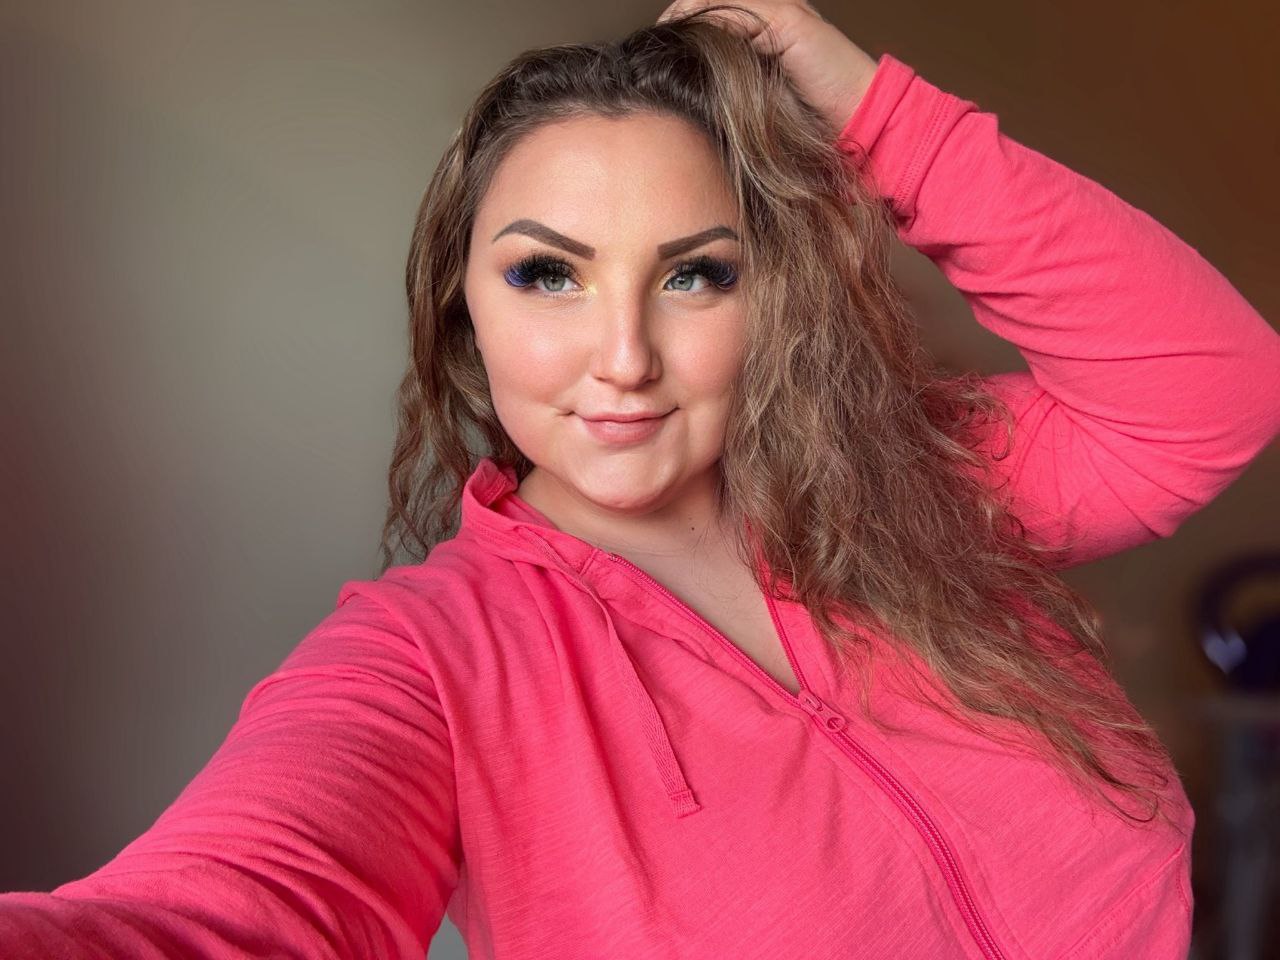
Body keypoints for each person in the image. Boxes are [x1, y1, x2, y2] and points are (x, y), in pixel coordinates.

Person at [3, 2, 1278, 957]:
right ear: (461, 309)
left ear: (772, 300)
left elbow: (1212, 388)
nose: (622, 358)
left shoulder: (917, 488)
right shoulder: (427, 661)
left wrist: (873, 112)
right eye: (546, 275)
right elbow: (215, 917)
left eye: (694, 273)